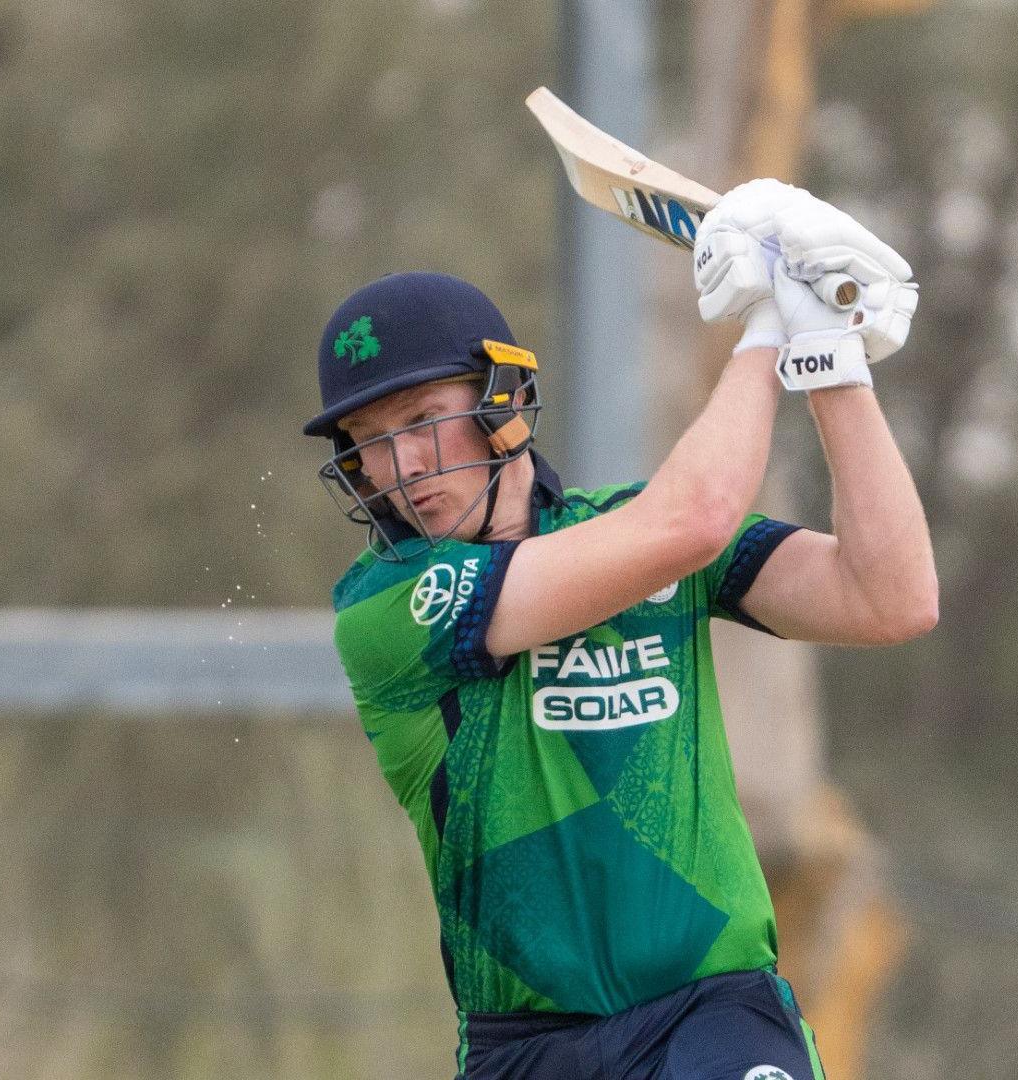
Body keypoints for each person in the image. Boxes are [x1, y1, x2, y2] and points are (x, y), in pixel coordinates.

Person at [306, 180, 937, 1080]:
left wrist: (832, 359)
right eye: (371, 439)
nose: (402, 465)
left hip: (712, 1015)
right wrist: (767, 326)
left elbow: (891, 597)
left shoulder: (632, 526)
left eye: (424, 419)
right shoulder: (382, 609)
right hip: (525, 1048)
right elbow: (693, 520)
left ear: (506, 405)